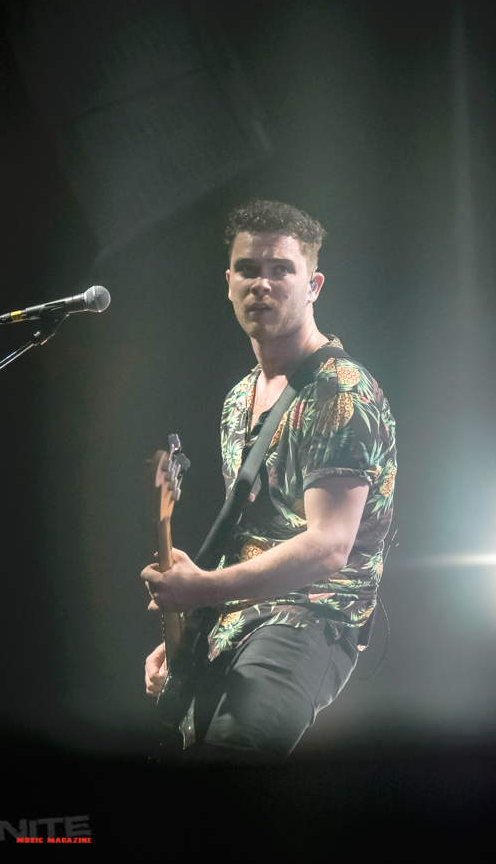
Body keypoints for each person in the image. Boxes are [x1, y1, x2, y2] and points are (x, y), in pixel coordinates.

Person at [141, 200, 396, 760]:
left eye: (282, 269)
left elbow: (329, 547)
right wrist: (188, 636)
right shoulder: (239, 400)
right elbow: (248, 537)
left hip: (309, 618)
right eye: (248, 269)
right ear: (229, 283)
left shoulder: (340, 391)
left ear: (313, 286)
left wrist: (202, 587)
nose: (262, 283)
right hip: (235, 622)